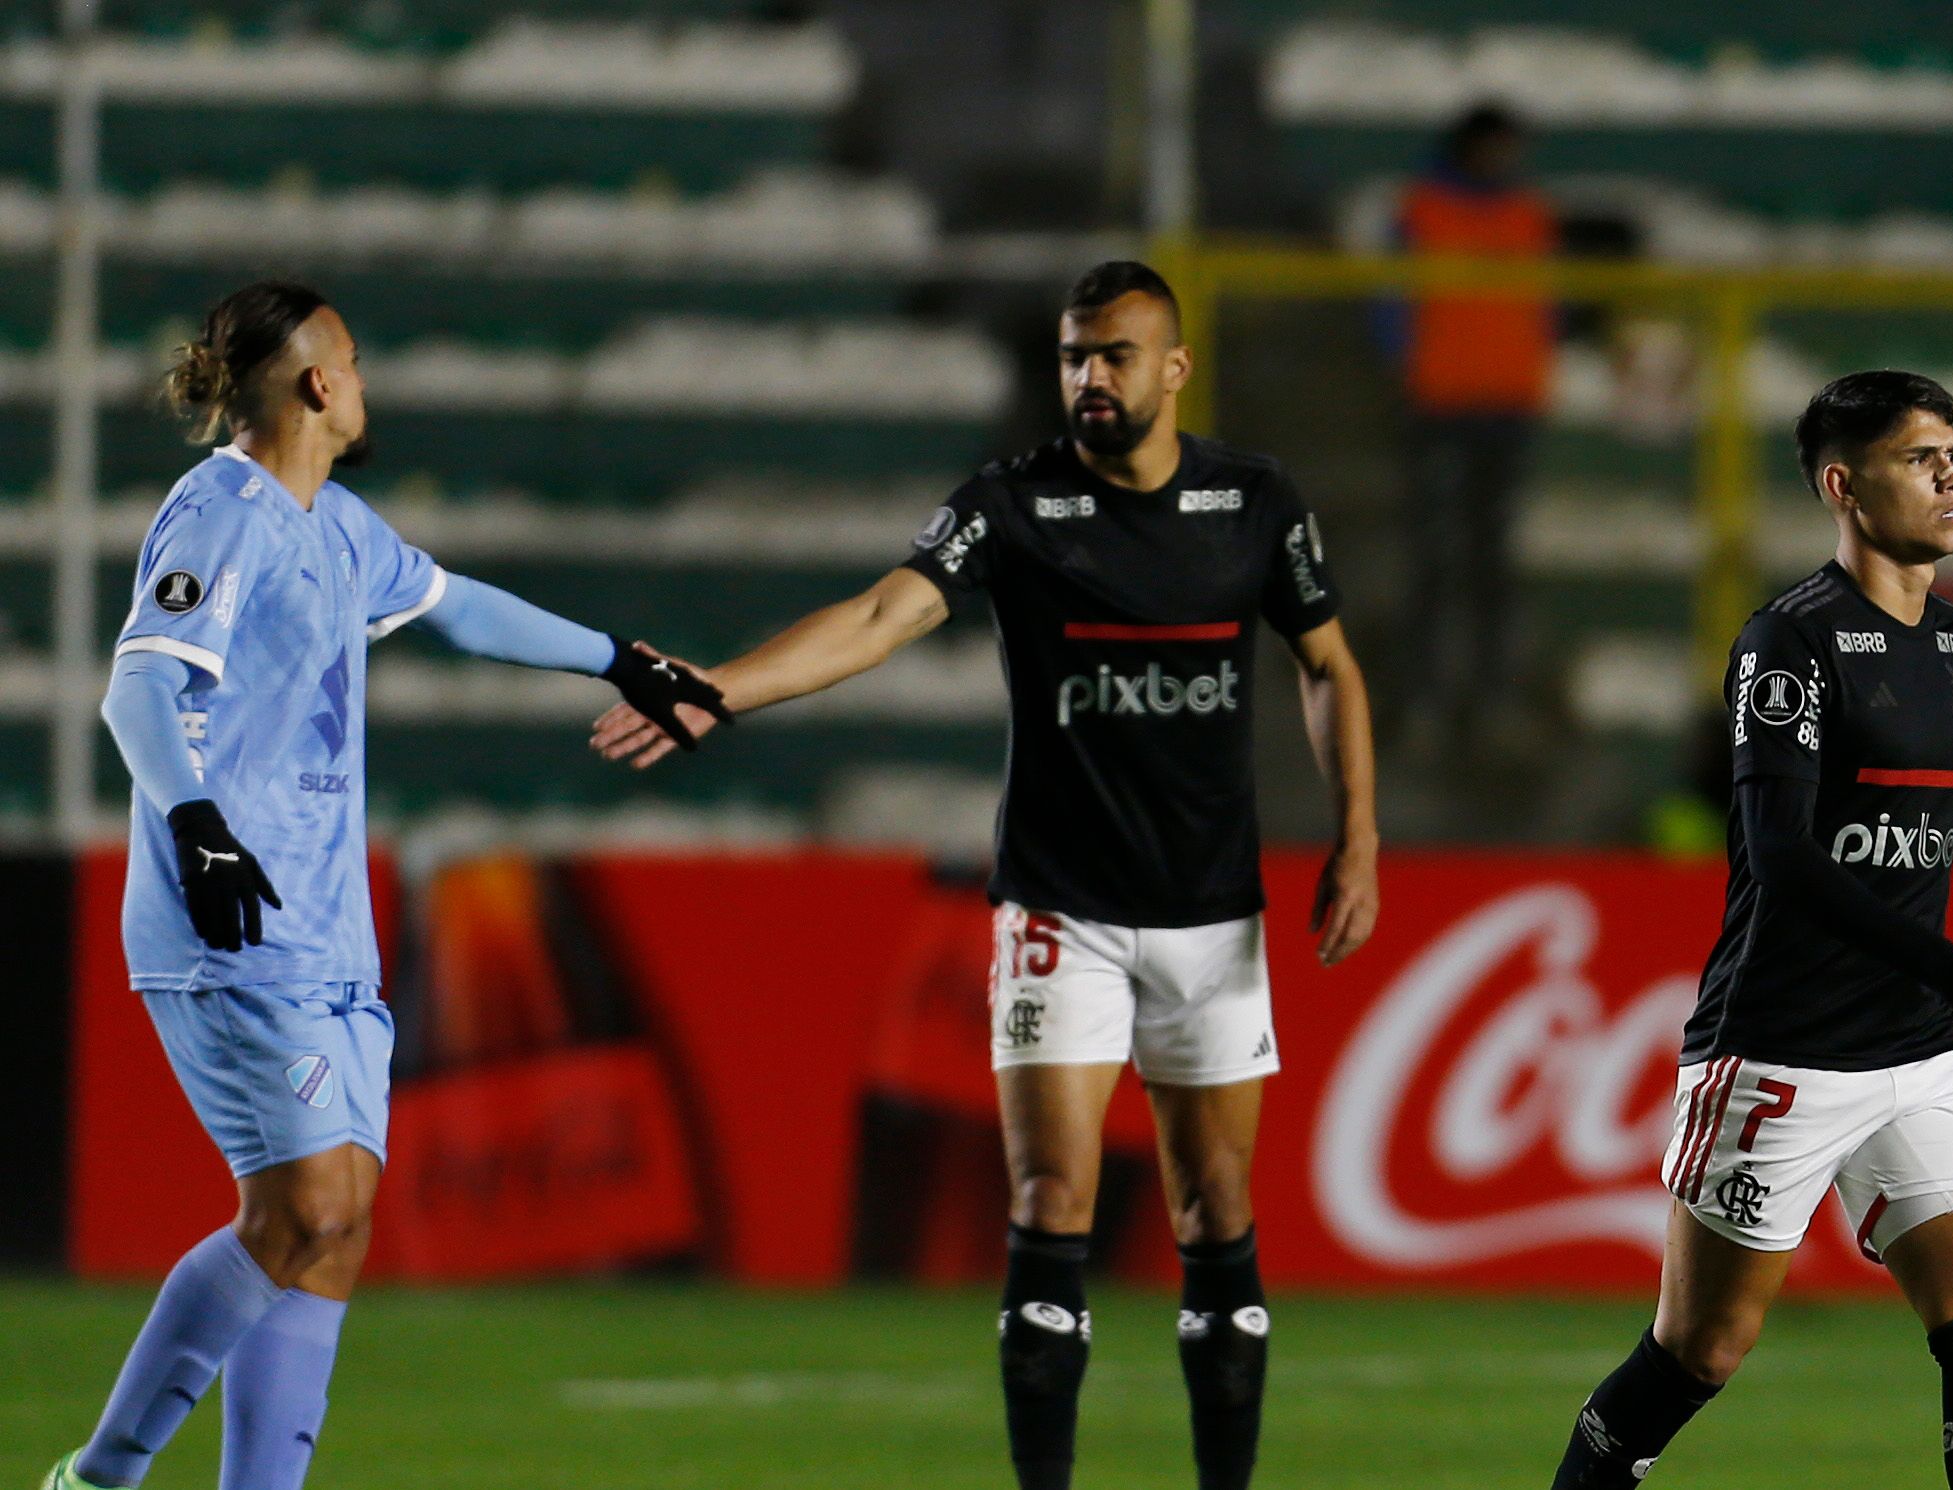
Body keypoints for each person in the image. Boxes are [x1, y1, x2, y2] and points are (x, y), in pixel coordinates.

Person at [591, 260, 1382, 1490]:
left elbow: (1326, 663)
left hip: (1209, 914)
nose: (1089, 377)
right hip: (1058, 910)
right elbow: (882, 614)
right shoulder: (1013, 504)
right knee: (1051, 1194)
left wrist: (1357, 836)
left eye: (1114, 354)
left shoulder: (1254, 499)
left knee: (1216, 1208)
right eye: (1073, 355)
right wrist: (723, 689)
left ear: (1174, 367)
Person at [48, 282, 726, 1490]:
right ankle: (97, 1477)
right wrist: (199, 829)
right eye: (353, 363)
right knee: (306, 1205)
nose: (364, 384)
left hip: (326, 935)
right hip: (230, 919)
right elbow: (138, 686)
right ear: (318, 382)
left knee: (337, 1225)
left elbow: (459, 608)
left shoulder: (338, 527)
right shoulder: (221, 510)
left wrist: (619, 659)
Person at [1548, 371, 1953, 1490]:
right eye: (1919, 458)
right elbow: (1779, 855)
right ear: (1843, 486)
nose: (1951, 476)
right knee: (1698, 1350)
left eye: (1952, 453)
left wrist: (1934, 986)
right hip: (1780, 1049)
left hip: (1916, 1053)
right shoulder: (1788, 641)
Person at [1391, 102, 1556, 754]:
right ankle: (1426, 697)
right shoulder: (1423, 210)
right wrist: (1409, 368)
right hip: (1440, 403)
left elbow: (1547, 305)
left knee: (1491, 563)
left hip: (1507, 404)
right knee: (1435, 558)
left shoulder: (1528, 214)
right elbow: (1390, 306)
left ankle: (1489, 697)